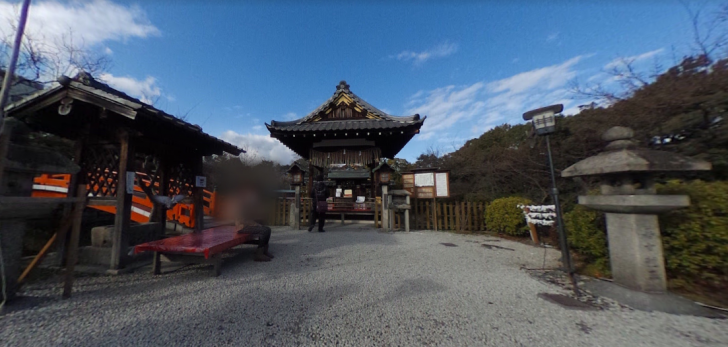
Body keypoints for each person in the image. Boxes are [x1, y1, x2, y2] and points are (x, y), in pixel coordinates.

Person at [234, 186, 275, 262]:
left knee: (267, 229)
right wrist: (255, 224)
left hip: (247, 225)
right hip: (242, 227)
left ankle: (264, 250)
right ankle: (258, 254)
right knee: (264, 231)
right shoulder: (240, 205)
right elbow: (243, 220)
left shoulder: (246, 204)